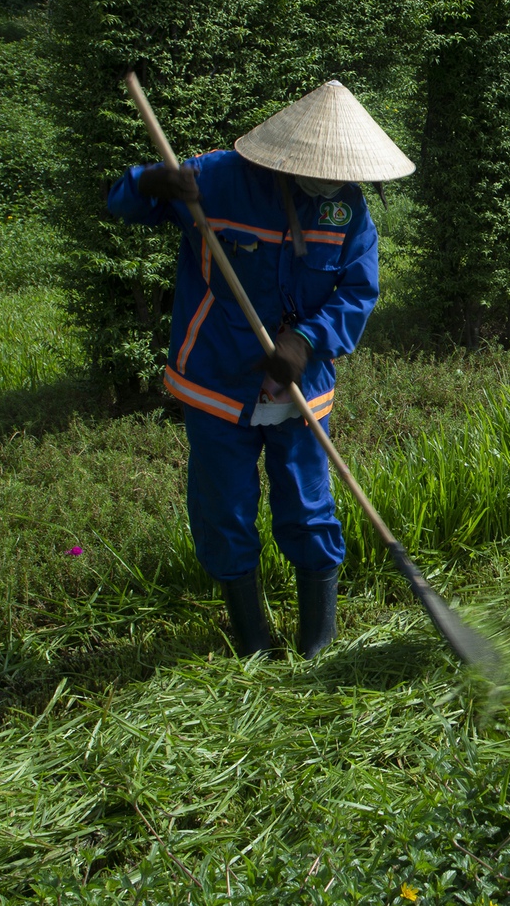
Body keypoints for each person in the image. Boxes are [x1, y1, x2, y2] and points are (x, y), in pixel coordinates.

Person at [107, 80, 414, 659]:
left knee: (307, 502)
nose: (334, 181)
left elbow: (357, 292)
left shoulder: (348, 210)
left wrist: (304, 343)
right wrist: (150, 184)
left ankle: (316, 641)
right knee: (223, 505)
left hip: (299, 385)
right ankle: (251, 639)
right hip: (217, 378)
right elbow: (122, 200)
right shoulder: (217, 179)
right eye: (324, 169)